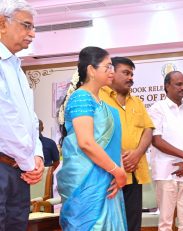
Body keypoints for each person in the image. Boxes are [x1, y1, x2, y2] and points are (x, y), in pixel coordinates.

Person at [56, 46, 127, 230]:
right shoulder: (81, 98)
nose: (112, 72)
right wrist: (117, 171)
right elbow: (86, 143)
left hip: (108, 178)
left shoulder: (104, 104)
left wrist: (117, 171)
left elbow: (113, 144)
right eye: (107, 67)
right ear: (91, 70)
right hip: (86, 181)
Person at [0, 1, 45, 230]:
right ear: (2, 24)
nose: (32, 34)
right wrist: (30, 163)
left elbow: (30, 119)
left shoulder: (16, 66)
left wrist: (37, 156)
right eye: (26, 26)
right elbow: (5, 119)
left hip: (18, 169)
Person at [99, 56, 154, 231]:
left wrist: (137, 154)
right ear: (111, 73)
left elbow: (148, 129)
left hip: (134, 171)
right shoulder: (98, 97)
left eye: (132, 74)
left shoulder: (137, 102)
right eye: (126, 73)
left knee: (133, 223)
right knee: (110, 223)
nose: (130, 78)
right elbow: (98, 134)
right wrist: (122, 156)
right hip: (108, 173)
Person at [149, 71, 183, 231]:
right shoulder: (157, 109)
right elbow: (156, 140)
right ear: (167, 86)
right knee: (166, 223)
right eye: (178, 84)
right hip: (166, 173)